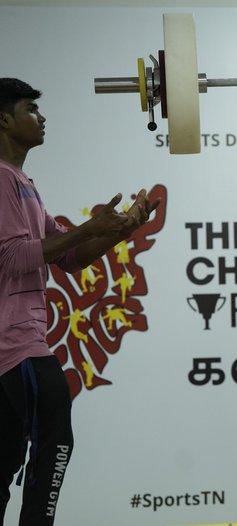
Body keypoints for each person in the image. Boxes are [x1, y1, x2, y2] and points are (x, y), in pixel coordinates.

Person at [0, 78, 160, 525]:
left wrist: (125, 227)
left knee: (13, 457)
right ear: (4, 120)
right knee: (53, 441)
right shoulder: (0, 179)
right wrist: (90, 228)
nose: (42, 117)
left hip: (22, 346)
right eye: (32, 109)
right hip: (17, 348)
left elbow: (68, 257)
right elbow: (14, 258)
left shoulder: (23, 182)